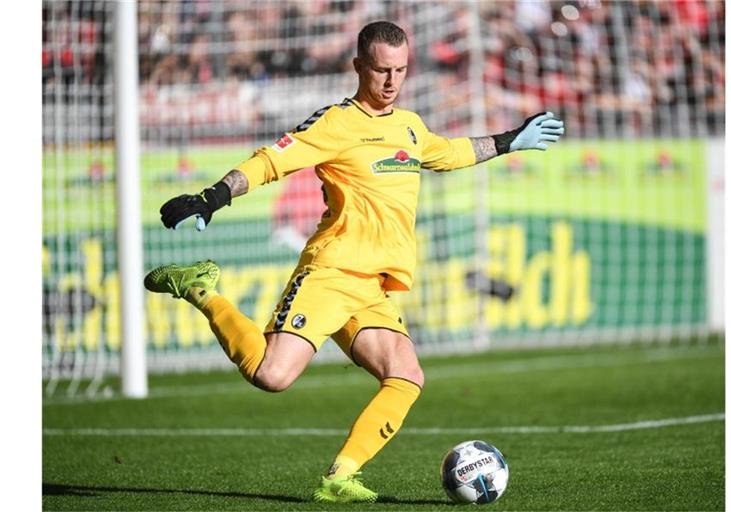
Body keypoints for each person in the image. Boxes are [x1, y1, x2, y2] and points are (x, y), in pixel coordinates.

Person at [144, 20, 564, 503]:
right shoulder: (336, 123)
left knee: (407, 377)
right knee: (271, 376)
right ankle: (201, 288)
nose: (391, 82)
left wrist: (511, 139)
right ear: (359, 66)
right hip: (332, 271)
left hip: (374, 287)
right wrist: (213, 196)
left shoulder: (408, 124)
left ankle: (339, 475)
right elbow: (270, 160)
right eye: (382, 70)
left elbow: (448, 152)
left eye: (401, 70)